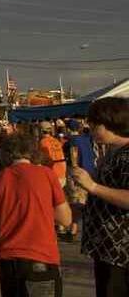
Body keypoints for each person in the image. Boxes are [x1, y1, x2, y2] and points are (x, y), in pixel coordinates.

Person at [0, 132, 71, 297]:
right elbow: (65, 219)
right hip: (41, 257)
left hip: (8, 260)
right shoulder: (46, 174)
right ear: (33, 152)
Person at [70, 97, 129, 297]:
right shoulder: (112, 152)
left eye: (95, 124)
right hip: (106, 248)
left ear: (110, 122)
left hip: (121, 252)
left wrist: (92, 187)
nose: (91, 128)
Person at [63, 120, 95, 241]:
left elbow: (73, 157)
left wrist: (74, 170)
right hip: (90, 171)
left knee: (76, 202)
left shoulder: (73, 141)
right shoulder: (86, 139)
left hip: (77, 172)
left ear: (69, 129)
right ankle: (74, 228)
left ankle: (73, 230)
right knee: (83, 201)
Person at [39, 121, 68, 188]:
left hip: (52, 175)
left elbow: (41, 161)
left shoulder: (42, 142)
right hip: (62, 174)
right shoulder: (57, 141)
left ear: (41, 131)